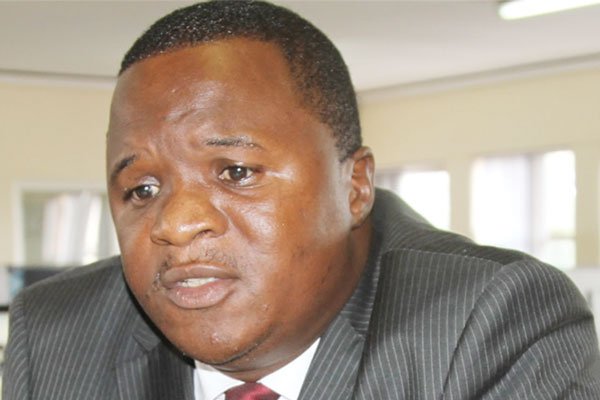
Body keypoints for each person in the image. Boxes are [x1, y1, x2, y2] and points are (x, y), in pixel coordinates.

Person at [4, 1, 600, 399]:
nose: (177, 224)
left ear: (355, 186)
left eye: (236, 172)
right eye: (143, 189)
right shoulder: (56, 335)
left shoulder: (490, 320)